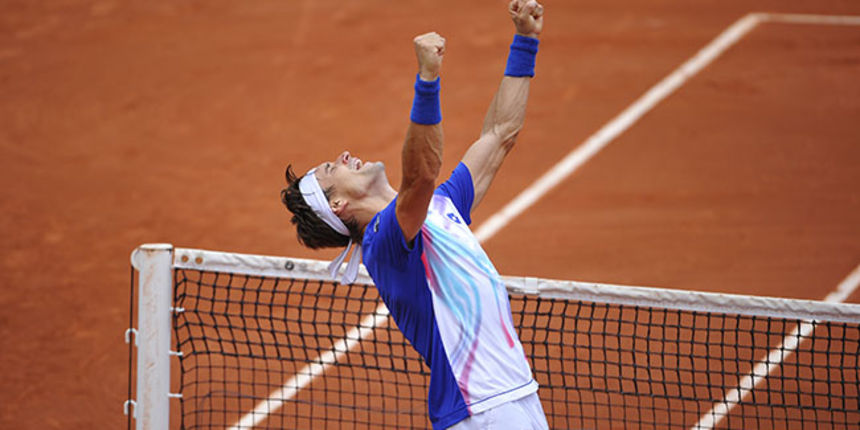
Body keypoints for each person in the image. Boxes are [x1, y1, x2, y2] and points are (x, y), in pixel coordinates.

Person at [281, 1, 547, 428]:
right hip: (479, 410)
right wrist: (427, 81)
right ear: (338, 206)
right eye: (334, 168)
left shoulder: (443, 206)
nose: (344, 156)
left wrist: (525, 41)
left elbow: (499, 136)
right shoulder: (383, 243)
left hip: (514, 397)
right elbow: (420, 176)